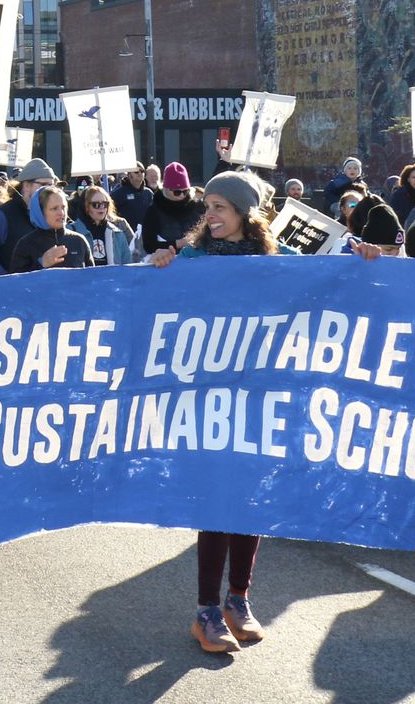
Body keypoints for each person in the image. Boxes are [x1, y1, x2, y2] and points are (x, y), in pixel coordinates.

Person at [148, 170, 278, 653]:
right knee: (218, 499)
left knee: (251, 500)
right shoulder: (193, 257)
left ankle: (238, 599)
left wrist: (365, 258)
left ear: (246, 213)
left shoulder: (273, 261)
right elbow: (155, 299)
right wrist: (160, 262)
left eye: (221, 206)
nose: (211, 215)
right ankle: (206, 611)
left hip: (258, 395)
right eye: (209, 206)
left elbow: (321, 291)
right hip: (208, 398)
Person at [0, 158, 60, 276]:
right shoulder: (3, 215)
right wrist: (9, 282)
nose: (49, 191)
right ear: (26, 185)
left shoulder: (51, 214)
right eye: (44, 185)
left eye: (52, 186)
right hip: (13, 291)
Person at [8, 186, 96, 273]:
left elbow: (92, 279)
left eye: (63, 207)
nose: (61, 213)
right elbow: (16, 283)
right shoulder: (26, 244)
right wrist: (41, 264)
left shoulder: (79, 240)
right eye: (54, 208)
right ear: (40, 213)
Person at [140, 163, 205, 256]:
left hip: (196, 259)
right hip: (168, 263)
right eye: (177, 192)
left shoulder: (197, 206)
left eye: (185, 191)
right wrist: (178, 243)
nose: (182, 195)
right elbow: (149, 246)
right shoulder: (154, 210)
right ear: (166, 189)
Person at [74, 182, 143, 266]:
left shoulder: (118, 233)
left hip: (112, 279)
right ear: (86, 207)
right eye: (96, 204)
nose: (101, 207)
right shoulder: (73, 232)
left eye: (104, 204)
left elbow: (127, 266)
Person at [341, 185, 404, 257]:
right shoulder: (351, 249)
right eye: (388, 250)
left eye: (398, 249)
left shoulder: (399, 254)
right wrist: (358, 261)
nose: (395, 255)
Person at [111, 163, 154, 231]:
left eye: (142, 171)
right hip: (127, 236)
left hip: (146, 235)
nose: (140, 173)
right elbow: (111, 214)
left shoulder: (148, 193)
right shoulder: (119, 194)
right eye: (136, 171)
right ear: (129, 175)